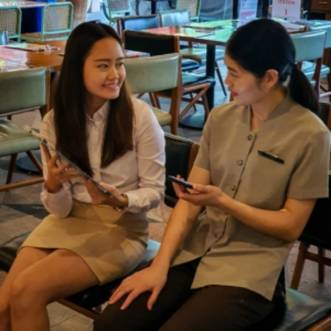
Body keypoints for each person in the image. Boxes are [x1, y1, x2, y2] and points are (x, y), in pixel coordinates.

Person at [93, 19, 331, 331]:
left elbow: (290, 226)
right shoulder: (221, 118)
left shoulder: (311, 135)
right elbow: (189, 203)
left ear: (270, 78)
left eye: (234, 73)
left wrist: (225, 202)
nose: (227, 81)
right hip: (194, 253)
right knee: (113, 323)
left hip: (251, 272)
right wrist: (159, 266)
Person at [0, 21, 165, 331]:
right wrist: (52, 185)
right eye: (103, 65)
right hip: (69, 220)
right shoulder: (56, 121)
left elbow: (156, 191)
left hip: (122, 229)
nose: (115, 74)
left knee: (28, 291)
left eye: (119, 64)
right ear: (77, 69)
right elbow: (60, 210)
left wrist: (122, 198)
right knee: (4, 303)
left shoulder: (140, 117)